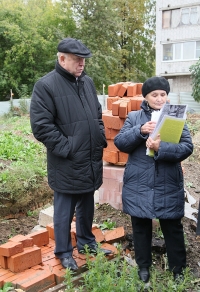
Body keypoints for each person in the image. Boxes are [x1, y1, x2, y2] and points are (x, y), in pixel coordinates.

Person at [30, 37, 112, 270]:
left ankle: (86, 242)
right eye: (77, 59)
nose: (82, 63)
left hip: (89, 157)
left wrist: (98, 139)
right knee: (64, 209)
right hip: (67, 161)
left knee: (87, 204)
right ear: (62, 58)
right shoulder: (46, 86)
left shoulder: (87, 83)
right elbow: (42, 127)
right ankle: (64, 252)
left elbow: (97, 115)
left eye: (84, 59)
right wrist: (69, 149)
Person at [114, 76, 193, 283]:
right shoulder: (135, 117)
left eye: (163, 94)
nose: (159, 98)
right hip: (139, 181)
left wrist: (161, 148)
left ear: (167, 96)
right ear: (146, 97)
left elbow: (187, 147)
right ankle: (144, 268)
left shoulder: (176, 117)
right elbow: (120, 143)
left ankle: (178, 270)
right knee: (140, 226)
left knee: (172, 226)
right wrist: (140, 131)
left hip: (167, 181)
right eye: (154, 95)